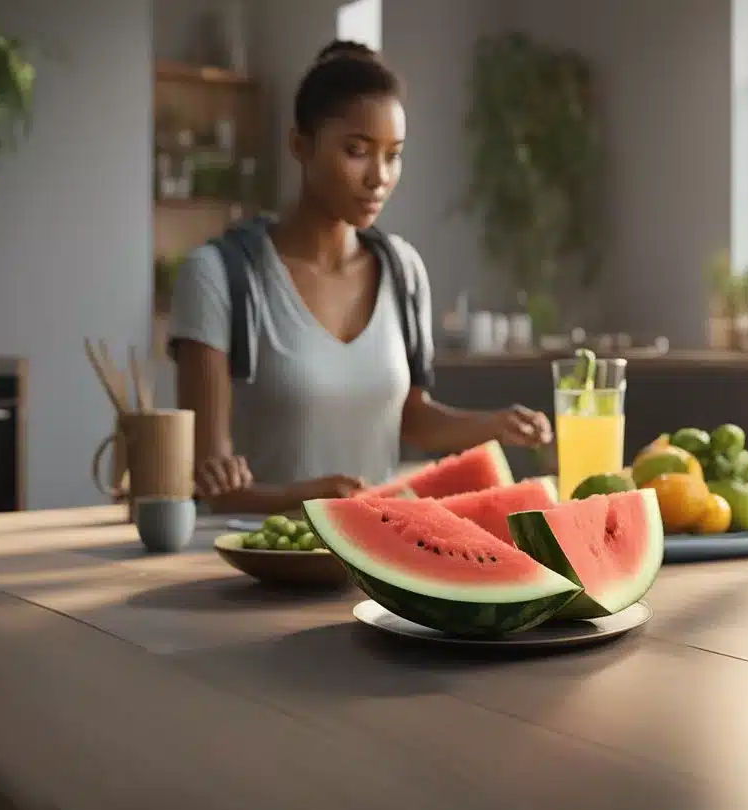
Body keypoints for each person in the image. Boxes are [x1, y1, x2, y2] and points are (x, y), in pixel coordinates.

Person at [168, 40, 551, 513]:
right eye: (357, 151)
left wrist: (495, 424)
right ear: (300, 145)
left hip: (375, 557)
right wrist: (303, 499)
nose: (379, 177)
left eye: (393, 155)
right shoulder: (217, 276)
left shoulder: (404, 271)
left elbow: (411, 418)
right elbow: (213, 480)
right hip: (248, 562)